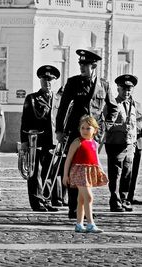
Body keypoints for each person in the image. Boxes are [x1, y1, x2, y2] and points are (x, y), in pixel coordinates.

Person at [56, 49, 118, 218]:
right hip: (75, 133)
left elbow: (113, 107)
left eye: (86, 65)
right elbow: (62, 108)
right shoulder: (73, 82)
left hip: (93, 136)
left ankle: (86, 208)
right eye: (81, 64)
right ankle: (74, 208)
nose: (82, 68)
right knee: (75, 169)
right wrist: (59, 130)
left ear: (94, 66)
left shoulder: (104, 85)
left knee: (89, 170)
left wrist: (105, 126)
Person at [20, 65, 61, 212]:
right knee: (35, 171)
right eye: (44, 79)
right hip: (35, 141)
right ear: (40, 80)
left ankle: (47, 199)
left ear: (55, 81)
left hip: (52, 141)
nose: (47, 82)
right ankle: (36, 201)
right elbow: (25, 121)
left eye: (50, 80)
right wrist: (24, 141)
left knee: (49, 172)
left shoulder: (59, 99)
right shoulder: (32, 99)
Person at [63, 115, 108, 233]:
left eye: (88, 128)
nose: (84, 131)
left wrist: (102, 171)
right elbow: (68, 159)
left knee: (82, 199)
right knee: (89, 197)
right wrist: (65, 175)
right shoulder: (77, 142)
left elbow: (96, 159)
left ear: (95, 130)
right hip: (78, 172)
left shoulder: (94, 143)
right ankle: (90, 224)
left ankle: (79, 224)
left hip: (89, 172)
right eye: (82, 128)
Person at [104, 74, 138, 212]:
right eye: (124, 89)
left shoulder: (133, 104)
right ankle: (115, 200)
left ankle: (124, 200)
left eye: (129, 89)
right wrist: (120, 127)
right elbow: (106, 124)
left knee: (127, 174)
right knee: (115, 174)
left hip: (130, 144)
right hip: (115, 144)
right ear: (118, 89)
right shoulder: (112, 105)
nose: (127, 92)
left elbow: (134, 123)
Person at [125, 102, 142, 205]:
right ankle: (123, 197)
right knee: (126, 172)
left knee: (134, 173)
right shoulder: (122, 104)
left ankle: (130, 197)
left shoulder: (139, 105)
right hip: (128, 143)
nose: (128, 91)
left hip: (138, 143)